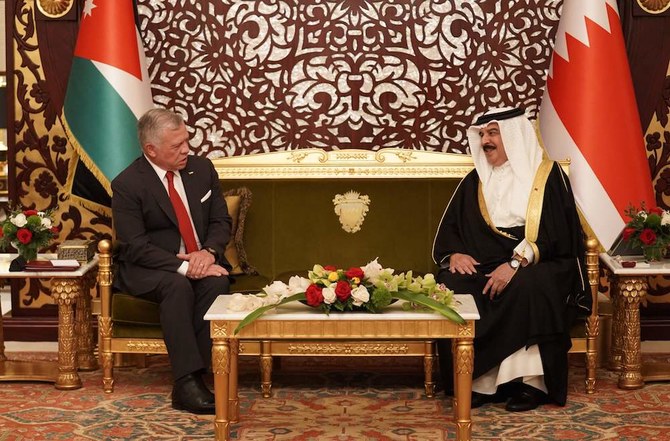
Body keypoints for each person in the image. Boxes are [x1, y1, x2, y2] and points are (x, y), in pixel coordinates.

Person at [432, 107, 591, 412]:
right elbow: (452, 228)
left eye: (493, 133)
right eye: (482, 135)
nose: (486, 141)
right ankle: (477, 380)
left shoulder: (547, 176)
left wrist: (517, 262)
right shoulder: (474, 181)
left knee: (529, 285)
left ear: (514, 137)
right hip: (486, 262)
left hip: (541, 261)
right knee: (451, 283)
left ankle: (529, 383)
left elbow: (558, 233)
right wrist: (455, 253)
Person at [112, 108, 232, 414]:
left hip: (200, 258)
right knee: (177, 285)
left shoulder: (202, 169)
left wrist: (208, 254)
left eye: (186, 141)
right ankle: (187, 382)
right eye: (176, 146)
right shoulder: (128, 184)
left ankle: (193, 379)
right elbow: (135, 246)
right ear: (151, 149)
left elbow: (221, 222)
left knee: (217, 281)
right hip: (147, 268)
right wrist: (186, 266)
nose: (186, 150)